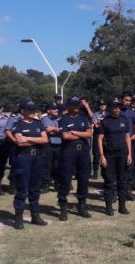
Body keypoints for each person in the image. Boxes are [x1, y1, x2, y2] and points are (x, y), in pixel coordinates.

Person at [9, 101, 49, 229]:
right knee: (22, 188)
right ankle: (18, 218)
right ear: (22, 111)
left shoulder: (39, 124)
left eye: (34, 110)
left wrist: (28, 139)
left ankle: (35, 216)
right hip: (24, 158)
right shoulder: (18, 125)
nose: (33, 112)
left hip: (38, 158)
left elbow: (45, 140)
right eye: (29, 110)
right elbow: (20, 143)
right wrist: (36, 141)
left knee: (35, 188)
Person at [57, 96, 93, 220]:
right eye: (74, 105)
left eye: (78, 104)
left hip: (83, 151)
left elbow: (89, 134)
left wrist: (74, 132)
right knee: (65, 180)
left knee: (83, 179)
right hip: (68, 152)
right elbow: (65, 136)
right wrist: (80, 134)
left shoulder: (83, 117)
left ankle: (81, 206)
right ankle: (63, 207)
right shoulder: (64, 119)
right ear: (69, 106)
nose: (76, 107)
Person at [97, 98, 133, 215]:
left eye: (118, 106)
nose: (117, 108)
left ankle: (122, 207)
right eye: (114, 106)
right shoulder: (105, 121)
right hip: (109, 154)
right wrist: (102, 156)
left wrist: (129, 154)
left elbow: (127, 137)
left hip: (122, 154)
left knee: (122, 181)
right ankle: (108, 207)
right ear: (110, 108)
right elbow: (99, 139)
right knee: (109, 181)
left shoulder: (124, 119)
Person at [120, 92, 135, 196]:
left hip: (131, 142)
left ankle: (128, 190)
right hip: (119, 142)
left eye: (129, 101)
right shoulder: (116, 110)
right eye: (126, 100)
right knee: (119, 166)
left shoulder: (131, 112)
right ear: (121, 100)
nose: (128, 102)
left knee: (130, 165)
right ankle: (118, 190)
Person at [41, 102, 62, 193]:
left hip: (59, 145)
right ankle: (46, 184)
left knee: (58, 166)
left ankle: (57, 183)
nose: (56, 110)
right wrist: (59, 130)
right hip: (49, 146)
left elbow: (64, 130)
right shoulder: (45, 120)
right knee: (47, 166)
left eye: (56, 108)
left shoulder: (60, 119)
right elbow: (47, 131)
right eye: (53, 109)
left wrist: (54, 129)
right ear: (48, 111)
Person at [91, 100, 107, 178]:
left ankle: (105, 171)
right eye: (101, 105)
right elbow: (96, 125)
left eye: (104, 105)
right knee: (96, 154)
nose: (102, 106)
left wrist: (100, 122)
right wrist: (99, 122)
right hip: (97, 134)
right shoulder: (95, 114)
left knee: (106, 153)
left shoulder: (108, 114)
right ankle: (95, 172)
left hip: (106, 135)